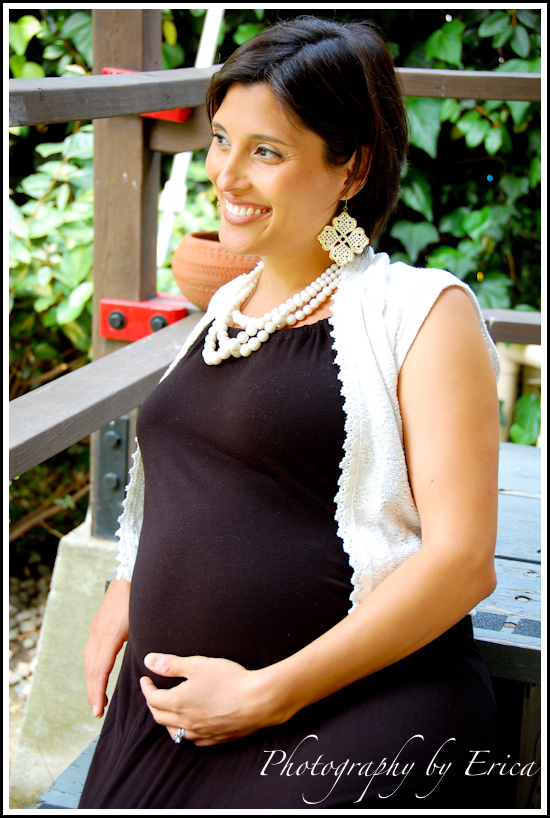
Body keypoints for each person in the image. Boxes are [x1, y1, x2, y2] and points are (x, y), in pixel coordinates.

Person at [79, 16, 501, 809]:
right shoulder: (228, 310)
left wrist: (267, 695)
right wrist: (126, 583)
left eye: (266, 152)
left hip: (358, 709)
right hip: (178, 719)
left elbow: (463, 560)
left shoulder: (418, 311)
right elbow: (187, 479)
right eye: (221, 140)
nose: (227, 175)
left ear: (352, 169)